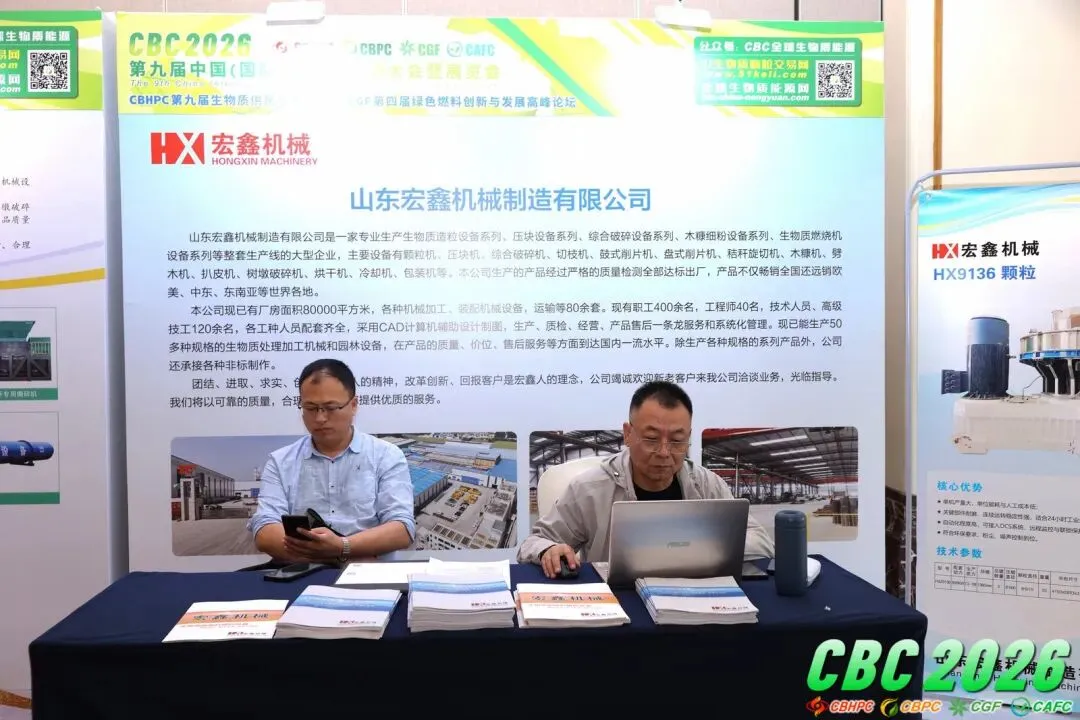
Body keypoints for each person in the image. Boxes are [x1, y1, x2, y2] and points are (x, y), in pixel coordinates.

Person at [518, 381, 775, 578]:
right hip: (620, 604)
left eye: (677, 441)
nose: (664, 452)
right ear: (628, 434)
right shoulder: (590, 489)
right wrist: (548, 550)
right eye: (651, 439)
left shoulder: (707, 485)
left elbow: (761, 543)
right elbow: (533, 542)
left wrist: (705, 548)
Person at [247, 358, 415, 565]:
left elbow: (402, 528)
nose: (320, 418)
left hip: (369, 578)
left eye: (331, 407)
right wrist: (335, 555)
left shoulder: (386, 456)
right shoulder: (280, 461)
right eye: (310, 408)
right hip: (302, 574)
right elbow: (264, 529)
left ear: (353, 405)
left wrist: (344, 546)